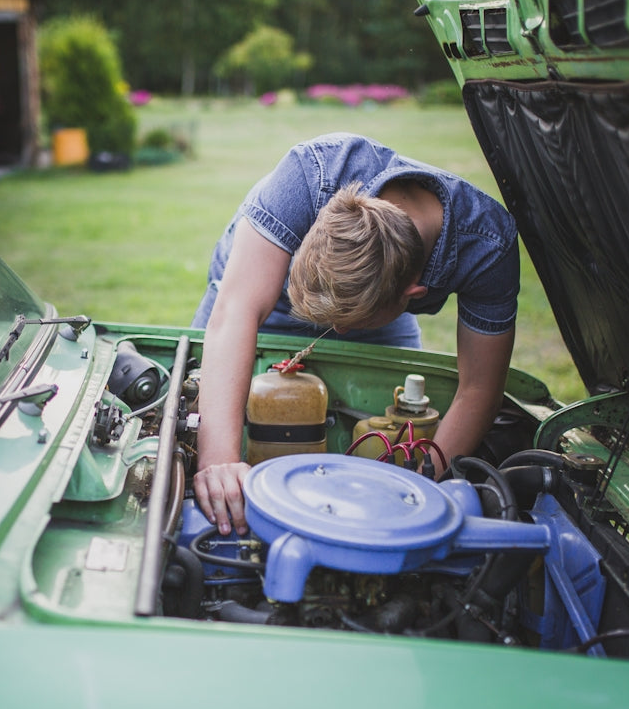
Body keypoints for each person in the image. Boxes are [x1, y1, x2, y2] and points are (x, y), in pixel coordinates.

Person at [190, 132, 519, 536]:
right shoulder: (311, 172)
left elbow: (480, 388)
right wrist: (218, 462)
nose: (332, 334)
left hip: (374, 300)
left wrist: (419, 491)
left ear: (412, 295)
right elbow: (235, 312)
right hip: (262, 282)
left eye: (345, 326)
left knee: (392, 424)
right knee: (201, 406)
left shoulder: (488, 244)